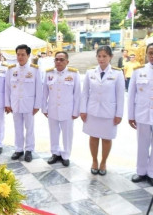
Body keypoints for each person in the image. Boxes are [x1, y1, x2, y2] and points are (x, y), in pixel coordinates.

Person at [80, 45, 125, 175]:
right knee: (93, 137)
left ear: (110, 57)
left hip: (109, 112)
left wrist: (119, 114)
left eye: (104, 56)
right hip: (92, 111)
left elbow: (120, 96)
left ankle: (103, 162)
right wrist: (83, 110)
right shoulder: (90, 72)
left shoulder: (117, 73)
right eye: (99, 56)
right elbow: (85, 94)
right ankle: (94, 160)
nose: (101, 59)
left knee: (106, 138)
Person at [42, 51, 81, 166]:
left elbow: (77, 94)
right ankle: (55, 153)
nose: (58, 62)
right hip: (53, 109)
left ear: (67, 62)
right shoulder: (49, 73)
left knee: (67, 134)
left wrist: (76, 111)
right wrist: (44, 108)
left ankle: (66, 155)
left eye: (61, 59)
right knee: (53, 133)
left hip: (67, 110)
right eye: (56, 59)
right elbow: (44, 92)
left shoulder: (73, 74)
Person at [5, 44, 42, 162]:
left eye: (23, 55)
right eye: (18, 54)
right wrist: (7, 103)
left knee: (29, 128)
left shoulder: (34, 69)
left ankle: (29, 150)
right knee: (17, 128)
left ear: (28, 55)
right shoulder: (11, 69)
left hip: (29, 105)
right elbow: (7, 88)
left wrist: (37, 105)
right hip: (15, 104)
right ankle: (19, 149)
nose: (20, 57)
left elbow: (39, 89)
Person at [128, 43, 153, 185]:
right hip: (142, 114)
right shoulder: (138, 71)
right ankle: (141, 171)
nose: (152, 55)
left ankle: (151, 173)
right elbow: (131, 95)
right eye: (150, 52)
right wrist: (131, 116)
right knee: (142, 144)